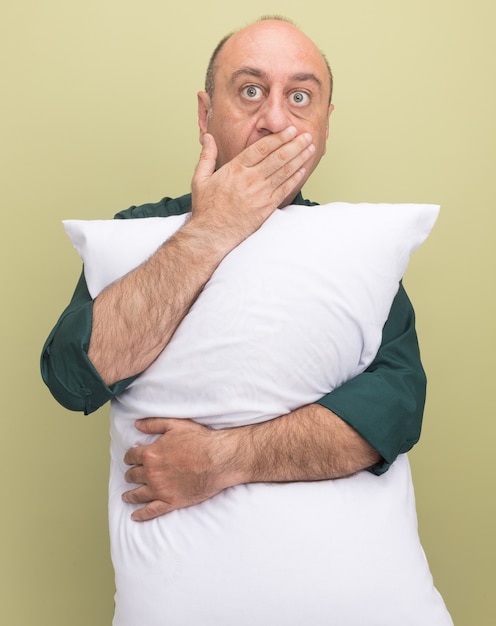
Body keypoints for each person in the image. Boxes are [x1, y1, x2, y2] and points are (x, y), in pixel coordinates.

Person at [41, 16, 426, 523]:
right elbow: (73, 379)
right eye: (250, 91)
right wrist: (213, 229)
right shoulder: (139, 233)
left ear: (325, 126)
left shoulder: (354, 247)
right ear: (205, 115)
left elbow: (395, 408)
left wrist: (224, 459)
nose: (275, 120)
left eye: (300, 97)